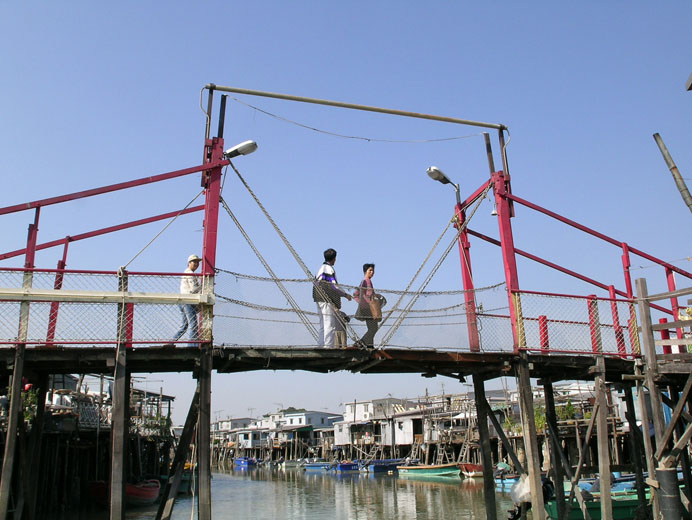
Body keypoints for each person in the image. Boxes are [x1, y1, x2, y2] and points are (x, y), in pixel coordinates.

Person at [313, 248, 352, 347]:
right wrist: (345, 295)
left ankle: (321, 345)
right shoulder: (329, 269)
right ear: (334, 258)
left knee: (323, 324)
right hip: (326, 299)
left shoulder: (320, 268)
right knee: (330, 325)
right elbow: (334, 286)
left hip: (318, 298)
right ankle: (328, 346)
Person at [173, 254, 201, 344]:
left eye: (197, 262)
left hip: (182, 301)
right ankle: (192, 345)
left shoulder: (187, 272)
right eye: (194, 262)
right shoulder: (190, 273)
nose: (196, 264)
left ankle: (170, 342)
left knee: (184, 326)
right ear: (189, 263)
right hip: (187, 301)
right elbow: (193, 289)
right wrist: (202, 286)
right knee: (193, 325)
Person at [354, 263, 380, 348]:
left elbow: (355, 294)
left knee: (371, 327)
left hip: (366, 307)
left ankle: (370, 346)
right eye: (370, 270)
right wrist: (367, 302)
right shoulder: (366, 281)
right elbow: (364, 294)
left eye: (373, 270)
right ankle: (361, 343)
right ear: (365, 271)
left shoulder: (364, 281)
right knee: (374, 328)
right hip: (369, 307)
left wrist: (361, 302)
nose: (372, 272)